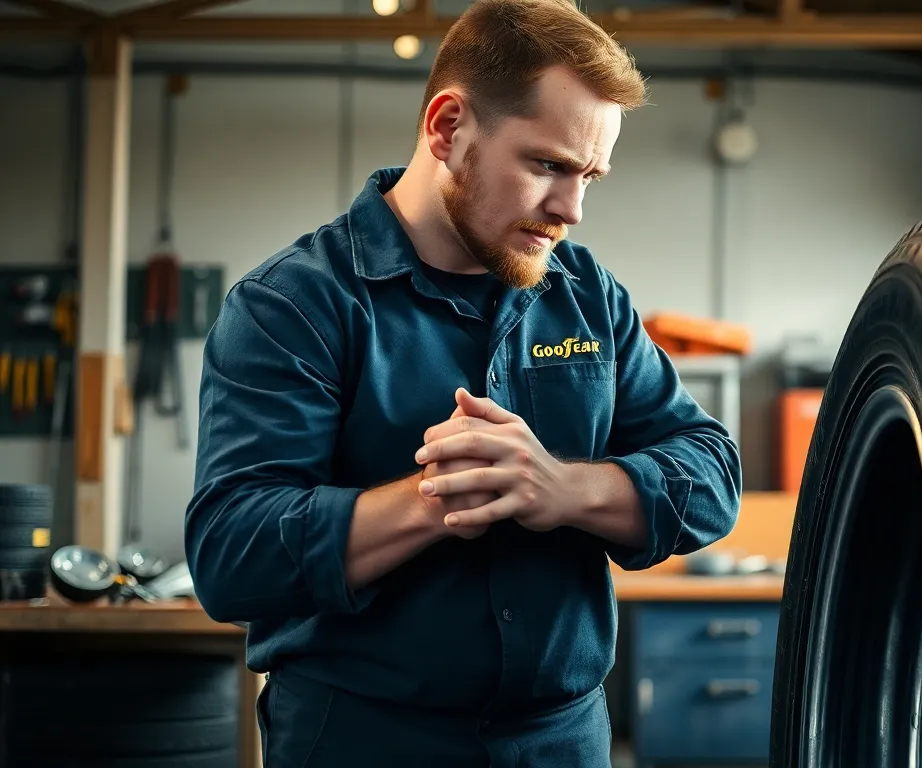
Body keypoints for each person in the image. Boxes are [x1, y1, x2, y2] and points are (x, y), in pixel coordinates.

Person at [182, 0, 743, 764]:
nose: (571, 210)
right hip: (361, 739)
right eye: (547, 165)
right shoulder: (294, 306)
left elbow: (711, 474)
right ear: (447, 129)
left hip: (563, 740)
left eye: (590, 176)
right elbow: (231, 554)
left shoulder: (587, 295)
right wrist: (432, 500)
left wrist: (563, 488)